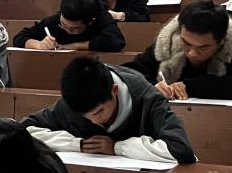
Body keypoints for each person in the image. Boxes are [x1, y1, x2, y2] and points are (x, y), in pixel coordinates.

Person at [21, 56, 196, 163]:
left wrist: (118, 148)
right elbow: (24, 130)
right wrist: (77, 144)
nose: (94, 121)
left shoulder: (148, 98)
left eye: (99, 112)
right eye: (86, 116)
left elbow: (180, 149)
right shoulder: (74, 100)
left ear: (114, 91)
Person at [123, 0, 232, 100]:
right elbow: (128, 73)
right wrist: (152, 86)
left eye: (203, 47)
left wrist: (190, 86)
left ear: (221, 41)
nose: (192, 53)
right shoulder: (168, 43)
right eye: (186, 43)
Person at [13, 0, 126, 52]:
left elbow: (116, 42)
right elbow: (19, 38)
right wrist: (39, 45)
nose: (67, 30)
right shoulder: (56, 21)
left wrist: (74, 46)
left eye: (74, 29)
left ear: (90, 22)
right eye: (63, 25)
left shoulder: (101, 17)